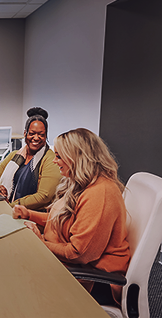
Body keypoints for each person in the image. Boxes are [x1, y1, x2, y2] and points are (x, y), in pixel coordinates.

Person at [12, 128, 130, 306]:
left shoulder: (100, 193)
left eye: (59, 156)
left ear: (77, 158)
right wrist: (28, 214)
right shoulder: (80, 182)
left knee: (18, 282)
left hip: (91, 277)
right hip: (68, 264)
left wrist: (40, 242)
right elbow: (62, 220)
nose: (54, 161)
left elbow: (78, 254)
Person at [0, 107, 61, 210]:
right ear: (25, 134)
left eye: (41, 134)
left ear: (46, 136)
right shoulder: (14, 155)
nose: (36, 138)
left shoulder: (50, 159)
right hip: (7, 208)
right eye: (32, 133)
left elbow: (44, 196)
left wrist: (10, 206)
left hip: (31, 214)